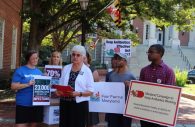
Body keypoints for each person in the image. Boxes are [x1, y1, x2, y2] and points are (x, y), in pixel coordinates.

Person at [139, 44, 176, 127]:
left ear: (160, 53)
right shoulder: (144, 70)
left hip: (160, 114)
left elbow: (170, 94)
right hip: (145, 112)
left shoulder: (168, 71)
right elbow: (139, 90)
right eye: (148, 52)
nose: (148, 54)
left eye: (151, 52)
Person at [58, 45, 94, 127]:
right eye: (73, 54)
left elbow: (91, 91)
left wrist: (79, 94)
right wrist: (58, 91)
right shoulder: (66, 68)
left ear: (83, 57)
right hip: (64, 103)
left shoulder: (87, 71)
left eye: (78, 55)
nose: (75, 57)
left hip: (79, 105)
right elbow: (60, 84)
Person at [11, 50, 43, 127]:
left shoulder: (39, 72)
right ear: (28, 59)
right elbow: (13, 87)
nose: (36, 60)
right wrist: (28, 84)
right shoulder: (20, 70)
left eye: (37, 58)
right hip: (23, 104)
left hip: (36, 104)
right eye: (33, 58)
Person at [106, 52, 136, 127]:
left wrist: (131, 86)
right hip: (113, 109)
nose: (117, 61)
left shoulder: (131, 76)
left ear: (125, 61)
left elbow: (136, 94)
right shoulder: (112, 76)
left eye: (119, 59)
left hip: (125, 110)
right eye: (116, 59)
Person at [84, 52, 100, 127]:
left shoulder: (93, 70)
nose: (83, 59)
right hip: (80, 98)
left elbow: (97, 86)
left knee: (90, 121)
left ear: (88, 58)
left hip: (90, 99)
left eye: (84, 58)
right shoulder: (76, 68)